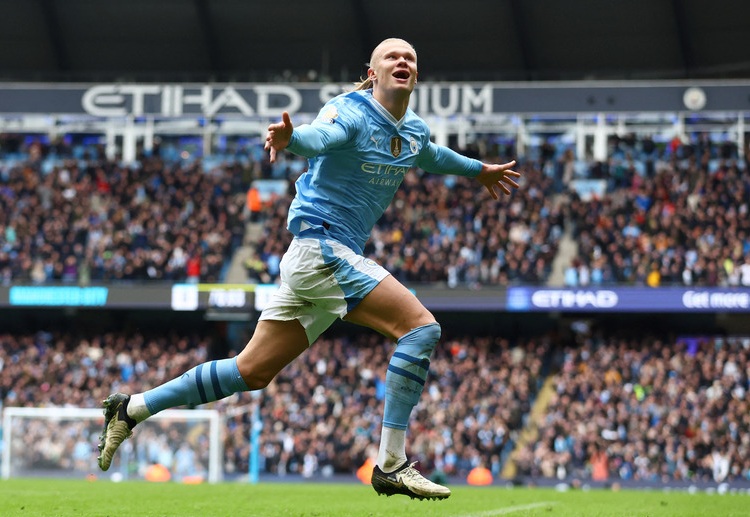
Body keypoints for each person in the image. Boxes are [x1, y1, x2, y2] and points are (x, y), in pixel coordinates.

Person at [97, 37, 521, 500]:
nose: (403, 61)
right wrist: (291, 139)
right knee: (420, 329)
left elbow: (431, 155)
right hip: (321, 249)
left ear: (415, 75)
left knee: (251, 372)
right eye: (392, 57)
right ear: (373, 71)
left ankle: (132, 408)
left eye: (410, 58)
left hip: (320, 258)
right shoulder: (350, 111)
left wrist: (478, 170)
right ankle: (392, 464)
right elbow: (322, 138)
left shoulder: (413, 128)